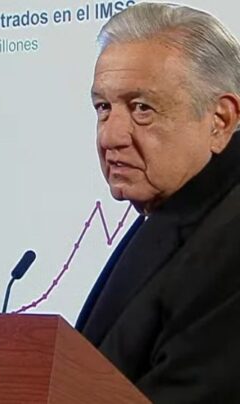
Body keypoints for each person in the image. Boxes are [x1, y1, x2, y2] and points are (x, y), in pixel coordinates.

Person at [75, 3, 240, 403]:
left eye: (141, 108)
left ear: (220, 120)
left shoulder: (230, 239)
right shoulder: (175, 209)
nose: (110, 137)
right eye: (103, 108)